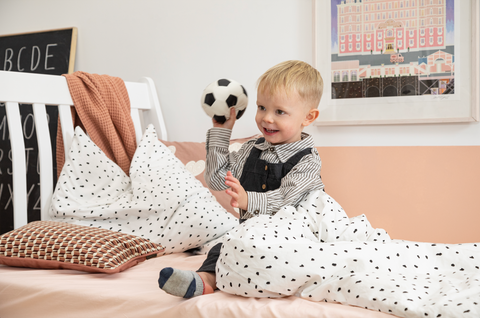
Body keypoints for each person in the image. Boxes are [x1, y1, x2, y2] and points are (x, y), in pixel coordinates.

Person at [158, 60, 324, 298]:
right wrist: (221, 131)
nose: (266, 118)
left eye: (279, 112)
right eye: (261, 107)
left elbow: (288, 199)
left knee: (295, 259)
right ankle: (203, 281)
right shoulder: (251, 149)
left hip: (295, 237)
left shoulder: (308, 160)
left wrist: (248, 201)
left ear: (308, 117)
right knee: (223, 248)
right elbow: (216, 180)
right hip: (250, 237)